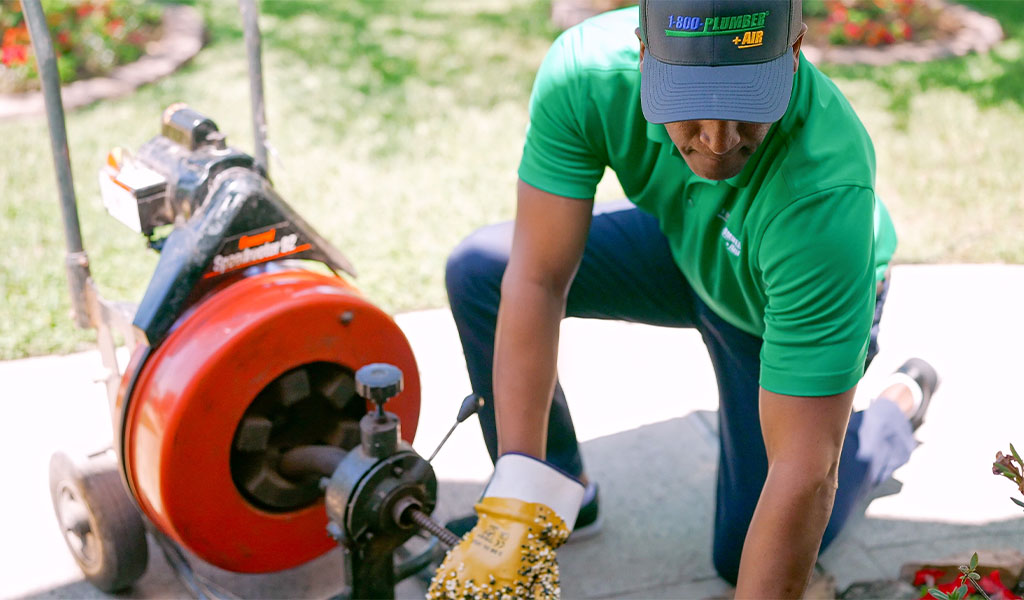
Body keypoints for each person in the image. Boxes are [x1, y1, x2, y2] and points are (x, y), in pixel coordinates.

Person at [429, 0, 939, 597]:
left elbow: (804, 473)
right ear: (645, 54)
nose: (719, 143)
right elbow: (537, 277)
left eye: (748, 103)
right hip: (688, 247)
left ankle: (889, 417)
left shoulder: (825, 193)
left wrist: (816, 461)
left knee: (750, 549)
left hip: (773, 301)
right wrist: (517, 502)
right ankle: (558, 492)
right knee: (484, 271)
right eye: (689, 103)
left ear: (795, 51)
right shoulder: (585, 74)